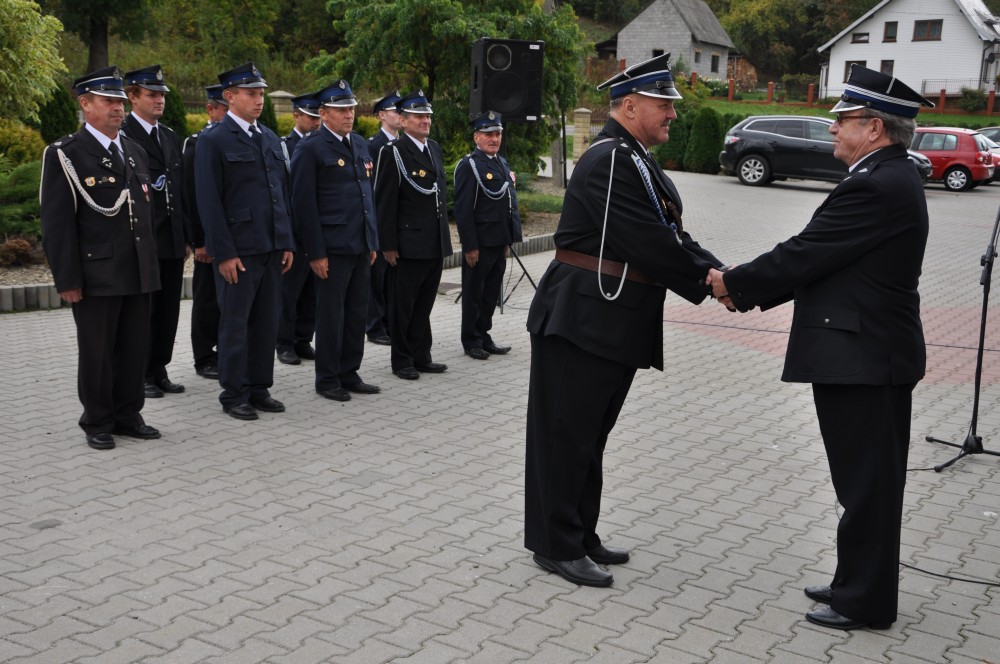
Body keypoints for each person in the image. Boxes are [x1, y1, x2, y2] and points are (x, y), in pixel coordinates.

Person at [708, 65, 934, 631]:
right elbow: (822, 260)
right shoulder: (885, 176)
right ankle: (852, 579)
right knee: (859, 480)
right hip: (862, 354)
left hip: (866, 358)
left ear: (875, 127)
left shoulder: (877, 183)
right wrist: (746, 287)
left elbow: (806, 252)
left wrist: (734, 284)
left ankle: (865, 601)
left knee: (869, 485)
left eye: (843, 120)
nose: (832, 129)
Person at [524, 53, 725, 587]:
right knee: (566, 435)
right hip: (584, 317)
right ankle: (556, 544)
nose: (674, 116)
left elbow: (670, 232)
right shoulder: (611, 158)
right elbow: (649, 240)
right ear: (630, 106)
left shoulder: (630, 154)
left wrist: (718, 271)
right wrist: (713, 282)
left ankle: (580, 532)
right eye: (665, 105)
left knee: (589, 435)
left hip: (607, 318)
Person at [40, 66, 161, 450]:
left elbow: (144, 214)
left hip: (138, 269)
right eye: (108, 101)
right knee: (98, 351)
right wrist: (68, 280)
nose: (118, 109)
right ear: (85, 104)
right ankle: (97, 419)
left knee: (134, 347)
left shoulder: (135, 151)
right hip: (97, 271)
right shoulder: (66, 154)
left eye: (120, 102)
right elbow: (57, 224)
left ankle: (128, 414)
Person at [195, 62, 295, 421]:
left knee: (266, 322)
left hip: (270, 246)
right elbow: (209, 201)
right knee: (235, 323)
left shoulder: (268, 137)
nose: (258, 99)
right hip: (238, 249)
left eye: (261, 93)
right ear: (229, 97)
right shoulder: (213, 140)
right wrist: (223, 252)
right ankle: (233, 392)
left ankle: (258, 387)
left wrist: (286, 242)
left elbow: (280, 193)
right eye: (251, 93)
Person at [291, 79, 381, 402]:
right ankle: (328, 378)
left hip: (359, 243)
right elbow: (303, 204)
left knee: (357, 310)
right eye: (342, 110)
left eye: (352, 109)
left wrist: (372, 240)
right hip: (331, 245)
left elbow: (365, 194)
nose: (349, 115)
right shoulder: (310, 148)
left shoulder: (358, 143)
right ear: (324, 113)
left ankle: (349, 371)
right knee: (331, 313)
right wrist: (315, 252)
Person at [121, 65, 190, 399]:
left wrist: (190, 234)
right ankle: (141, 372)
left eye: (162, 95)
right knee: (144, 312)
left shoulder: (169, 136)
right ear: (132, 97)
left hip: (172, 238)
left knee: (168, 310)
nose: (159, 100)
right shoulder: (124, 136)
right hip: (145, 240)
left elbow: (181, 189)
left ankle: (159, 367)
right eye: (152, 94)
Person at [374, 90, 452, 380]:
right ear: (403, 120)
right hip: (407, 244)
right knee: (403, 306)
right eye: (419, 116)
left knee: (423, 305)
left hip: (433, 242)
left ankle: (422, 355)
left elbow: (438, 198)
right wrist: (388, 245)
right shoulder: (392, 152)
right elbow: (384, 202)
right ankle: (402, 360)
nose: (425, 120)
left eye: (428, 115)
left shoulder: (433, 149)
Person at [453, 110, 522, 360]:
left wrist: (509, 238)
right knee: (474, 293)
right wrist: (470, 245)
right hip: (480, 243)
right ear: (476, 137)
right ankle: (470, 339)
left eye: (497, 134)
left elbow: (508, 203)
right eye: (488, 134)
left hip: (498, 240)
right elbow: (462, 209)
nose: (494, 139)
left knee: (491, 292)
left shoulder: (501, 163)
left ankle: (484, 334)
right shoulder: (469, 165)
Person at [183, 84, 228, 380]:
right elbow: (192, 195)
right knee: (207, 300)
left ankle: (226, 353)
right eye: (224, 107)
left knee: (228, 302)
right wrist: (199, 241)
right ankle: (204, 356)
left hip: (234, 237)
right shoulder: (197, 142)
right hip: (208, 241)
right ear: (210, 110)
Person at [276, 92, 322, 366]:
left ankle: (304, 339)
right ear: (296, 116)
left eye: (318, 117)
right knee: (288, 292)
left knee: (311, 293)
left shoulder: (322, 146)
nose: (316, 122)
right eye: (311, 116)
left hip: (316, 230)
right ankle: (284, 342)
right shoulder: (284, 147)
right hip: (293, 230)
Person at [365, 90, 403, 346]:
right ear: (381, 115)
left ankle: (390, 322)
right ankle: (374, 326)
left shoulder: (402, 145)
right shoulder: (374, 146)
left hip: (398, 221)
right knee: (376, 278)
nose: (400, 115)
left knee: (392, 278)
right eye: (394, 111)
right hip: (378, 220)